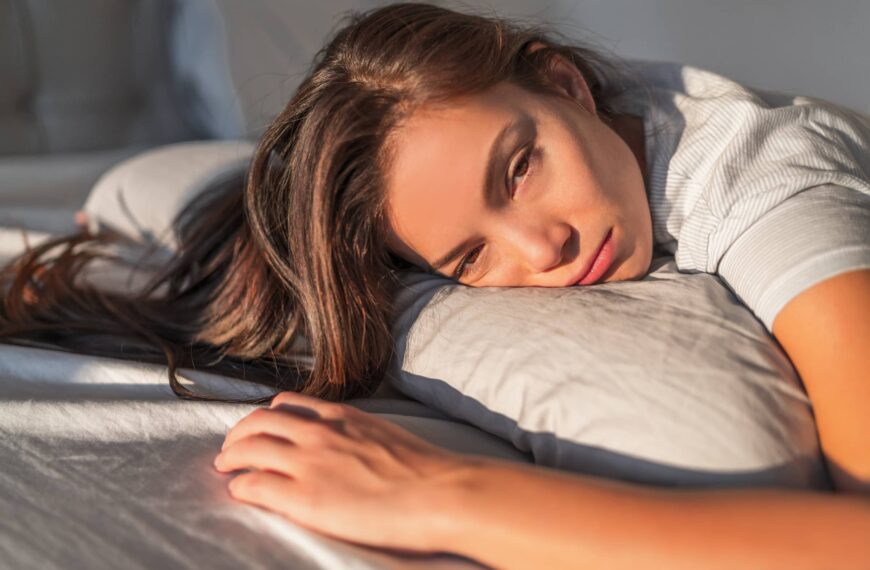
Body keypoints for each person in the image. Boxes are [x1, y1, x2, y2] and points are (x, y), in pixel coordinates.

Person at [2, 3, 869, 568]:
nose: (544, 247)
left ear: (566, 83)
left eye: (521, 168)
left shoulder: (777, 186)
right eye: (466, 260)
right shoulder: (548, 140)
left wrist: (437, 494)